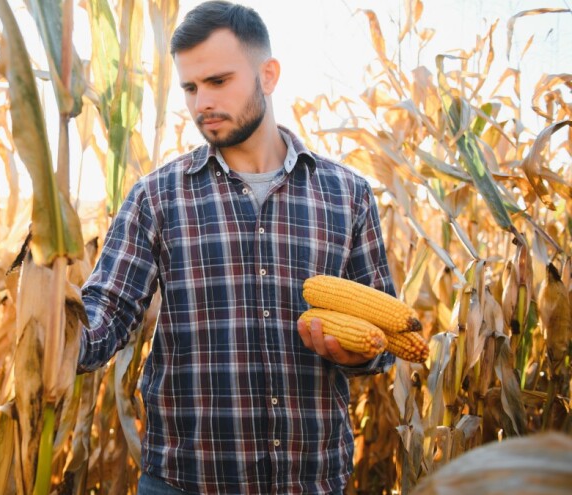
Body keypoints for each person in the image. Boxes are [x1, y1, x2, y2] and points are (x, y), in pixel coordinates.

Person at [77, 2, 396, 493]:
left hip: (310, 481)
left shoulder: (346, 194)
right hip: (188, 480)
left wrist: (358, 354)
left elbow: (385, 333)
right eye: (190, 87)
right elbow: (109, 313)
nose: (201, 101)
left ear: (267, 75)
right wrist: (53, 322)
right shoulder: (158, 196)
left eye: (219, 81)